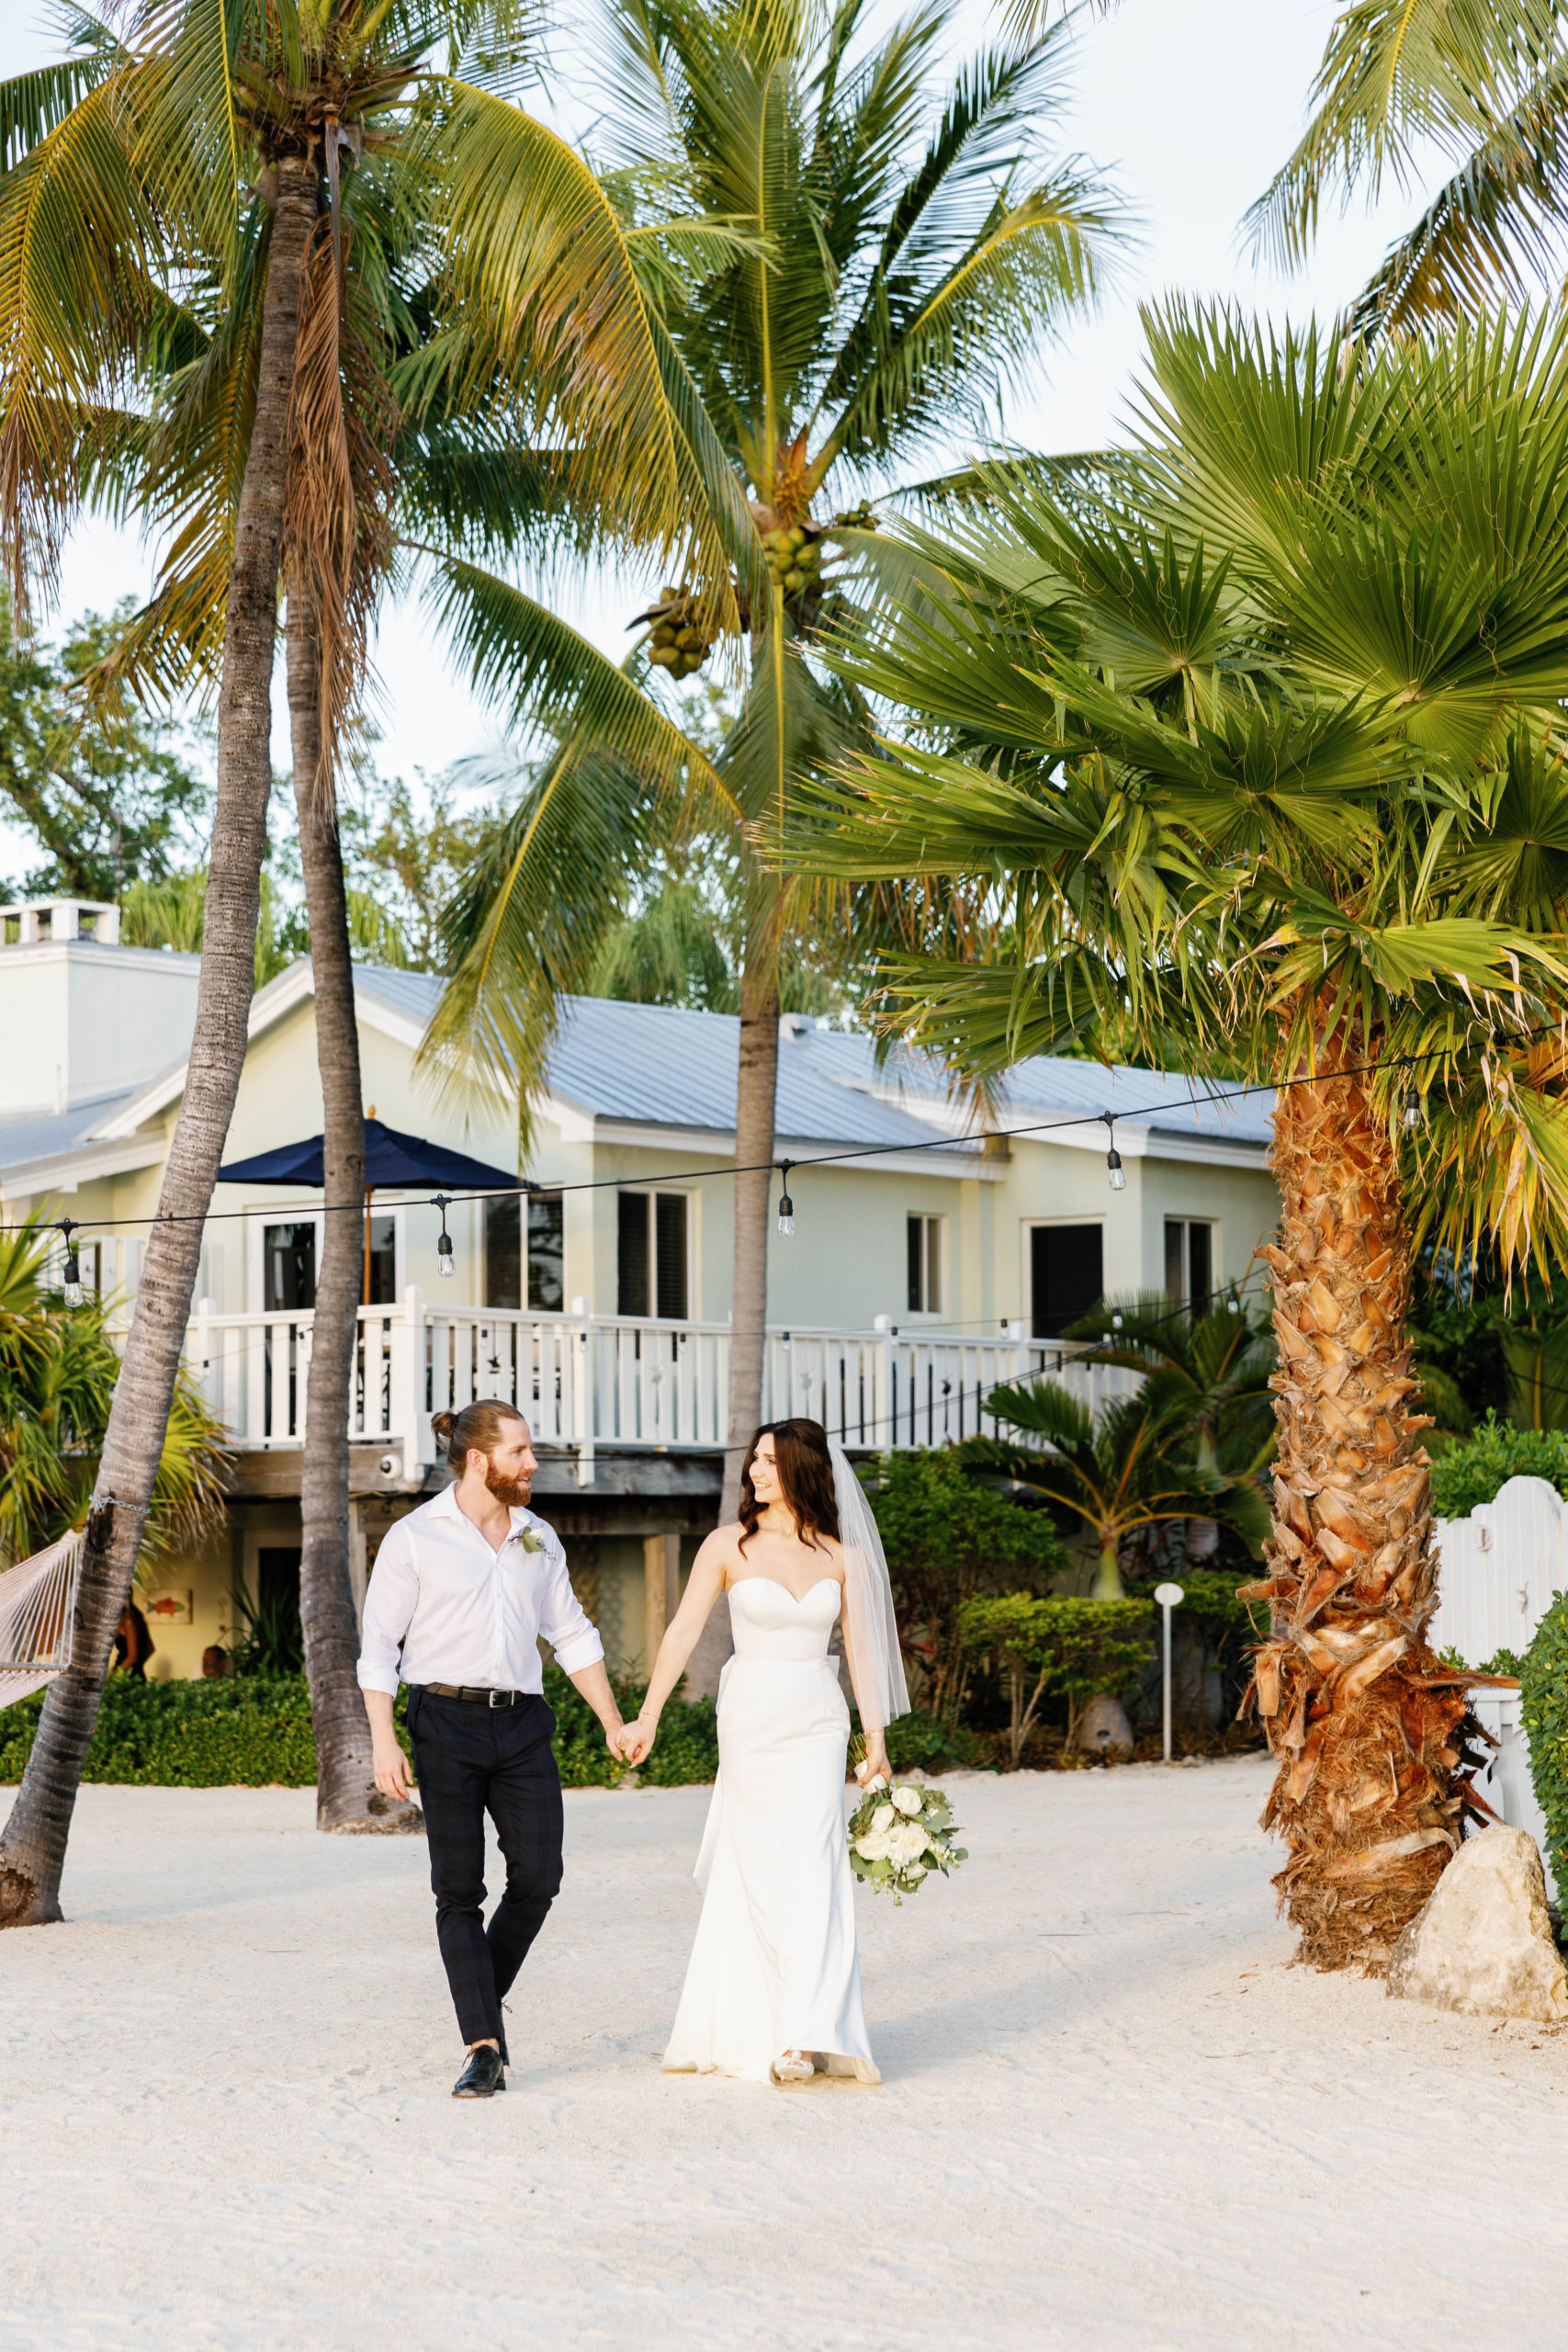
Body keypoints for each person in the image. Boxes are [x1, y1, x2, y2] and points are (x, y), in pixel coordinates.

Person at [617, 1417, 909, 2086]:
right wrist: (648, 1717)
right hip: (749, 1719)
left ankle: (804, 2037)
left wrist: (875, 1744)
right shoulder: (728, 1545)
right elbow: (682, 1631)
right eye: (754, 1460)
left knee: (812, 1870)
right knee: (756, 1868)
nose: (755, 1471)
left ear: (802, 1469)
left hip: (817, 1721)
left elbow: (861, 1651)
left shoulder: (842, 1556)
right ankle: (758, 2023)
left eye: (771, 1462)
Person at [357, 1399, 625, 2099]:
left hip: (523, 1724)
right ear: (479, 1460)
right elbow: (378, 1650)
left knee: (539, 1877)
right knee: (459, 1893)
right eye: (520, 1453)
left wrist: (610, 1721)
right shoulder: (415, 1538)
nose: (533, 1463)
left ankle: (477, 1999)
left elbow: (571, 1633)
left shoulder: (538, 1536)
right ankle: (483, 2044)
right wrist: (384, 1740)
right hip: (441, 1723)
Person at [112, 1600, 153, 1679]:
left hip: (127, 1674)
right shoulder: (120, 1620)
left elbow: (132, 1657)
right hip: (124, 1671)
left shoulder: (129, 1621)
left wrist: (114, 1675)